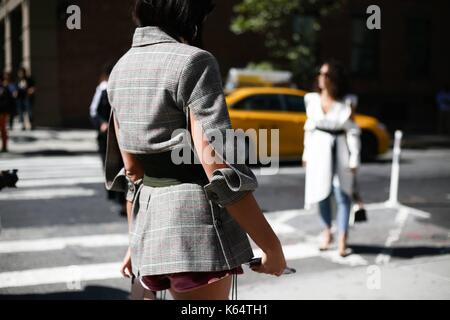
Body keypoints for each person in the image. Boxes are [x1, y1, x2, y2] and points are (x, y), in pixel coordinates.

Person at [105, 0, 286, 300]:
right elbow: (218, 168)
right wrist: (271, 247)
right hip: (196, 230)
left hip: (149, 227)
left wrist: (135, 242)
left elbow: (132, 173)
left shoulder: (120, 69)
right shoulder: (194, 62)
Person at [302, 60, 361, 257]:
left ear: (335, 79)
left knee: (342, 194)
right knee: (321, 193)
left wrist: (355, 159)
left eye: (326, 74)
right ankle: (327, 231)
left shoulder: (348, 102)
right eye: (320, 73)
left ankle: (343, 238)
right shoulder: (311, 99)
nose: (321, 77)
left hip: (341, 149)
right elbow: (309, 129)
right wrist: (306, 154)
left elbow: (353, 131)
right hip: (319, 150)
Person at [89, 63, 126, 217]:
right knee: (110, 165)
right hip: (106, 137)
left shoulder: (121, 89)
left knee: (122, 166)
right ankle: (116, 196)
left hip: (121, 136)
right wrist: (102, 124)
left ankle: (122, 199)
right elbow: (93, 112)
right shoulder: (102, 90)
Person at [0, 74, 16, 152]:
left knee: (3, 129)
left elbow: (9, 100)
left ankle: (4, 146)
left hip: (3, 112)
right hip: (3, 111)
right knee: (3, 130)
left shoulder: (5, 89)